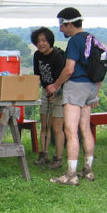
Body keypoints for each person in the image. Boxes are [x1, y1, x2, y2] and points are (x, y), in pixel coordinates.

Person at [46, 8, 99, 186]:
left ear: (69, 24)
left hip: (76, 87)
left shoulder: (75, 41)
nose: (61, 30)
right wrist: (96, 91)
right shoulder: (92, 39)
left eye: (62, 25)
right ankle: (88, 170)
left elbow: (69, 69)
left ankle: (71, 174)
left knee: (70, 130)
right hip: (91, 87)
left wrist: (56, 85)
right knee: (85, 128)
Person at [31, 27, 65, 168]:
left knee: (57, 128)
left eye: (44, 40)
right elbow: (37, 75)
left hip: (60, 93)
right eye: (38, 41)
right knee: (44, 126)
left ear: (50, 41)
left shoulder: (58, 56)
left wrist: (55, 91)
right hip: (46, 92)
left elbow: (62, 78)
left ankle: (58, 159)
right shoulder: (37, 55)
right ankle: (44, 155)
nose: (41, 44)